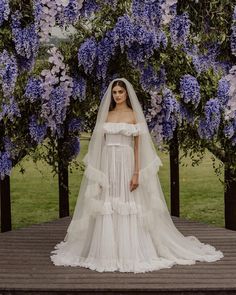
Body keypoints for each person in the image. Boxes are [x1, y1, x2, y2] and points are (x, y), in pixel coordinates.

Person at [50, 77, 224, 273]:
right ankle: (108, 251)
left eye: (120, 92)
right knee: (108, 203)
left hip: (126, 163)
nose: (117, 95)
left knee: (129, 203)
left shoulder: (134, 116)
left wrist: (136, 174)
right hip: (108, 162)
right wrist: (98, 176)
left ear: (126, 94)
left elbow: (137, 148)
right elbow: (98, 148)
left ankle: (131, 250)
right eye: (114, 92)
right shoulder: (106, 115)